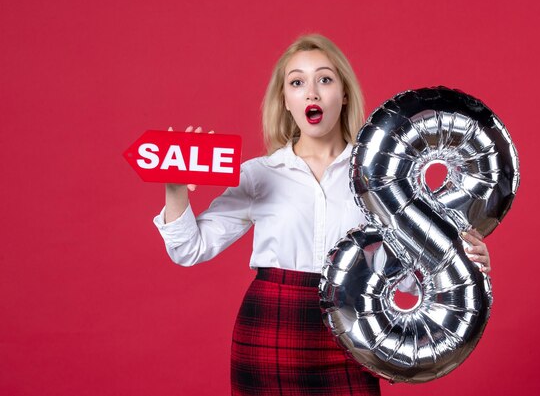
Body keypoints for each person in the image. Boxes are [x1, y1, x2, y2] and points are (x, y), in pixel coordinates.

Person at [153, 34, 492, 395]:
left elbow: (403, 275)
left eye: (325, 79)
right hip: (271, 328)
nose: (311, 93)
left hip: (353, 327)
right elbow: (189, 249)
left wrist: (463, 262)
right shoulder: (258, 174)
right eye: (297, 83)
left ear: (343, 93)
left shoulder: (378, 178)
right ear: (285, 101)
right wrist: (174, 190)